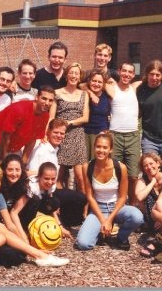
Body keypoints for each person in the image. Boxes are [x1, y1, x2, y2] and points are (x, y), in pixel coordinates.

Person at [76, 132, 144, 251]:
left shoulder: (120, 167)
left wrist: (110, 220)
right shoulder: (87, 167)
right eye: (98, 146)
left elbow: (123, 197)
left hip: (116, 208)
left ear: (111, 149)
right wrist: (103, 220)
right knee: (83, 244)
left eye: (105, 147)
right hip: (98, 208)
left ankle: (121, 237)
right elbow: (90, 196)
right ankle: (101, 233)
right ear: (94, 147)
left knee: (137, 216)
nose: (101, 150)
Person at [26, 119, 88, 227]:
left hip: (50, 189)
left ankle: (66, 222)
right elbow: (32, 177)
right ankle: (59, 222)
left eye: (62, 133)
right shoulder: (41, 151)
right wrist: (50, 199)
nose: (59, 136)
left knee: (80, 198)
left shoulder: (55, 150)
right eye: (55, 132)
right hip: (38, 194)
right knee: (76, 198)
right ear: (48, 132)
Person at [0, 86, 55, 164]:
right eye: (44, 98)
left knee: (18, 171)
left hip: (14, 147)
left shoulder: (45, 116)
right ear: (37, 97)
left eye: (50, 100)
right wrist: (3, 162)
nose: (47, 103)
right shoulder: (20, 109)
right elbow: (5, 137)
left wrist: (23, 164)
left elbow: (32, 140)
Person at [103, 62, 142, 202]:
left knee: (133, 174)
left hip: (133, 135)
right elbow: (88, 83)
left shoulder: (135, 87)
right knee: (114, 172)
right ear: (119, 71)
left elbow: (155, 76)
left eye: (130, 72)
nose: (126, 74)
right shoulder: (112, 88)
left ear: (133, 74)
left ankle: (132, 203)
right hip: (115, 135)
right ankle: (115, 203)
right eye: (124, 71)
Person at [50, 63, 89, 192]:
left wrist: (69, 122)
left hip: (77, 135)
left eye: (76, 73)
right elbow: (51, 118)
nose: (73, 76)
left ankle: (82, 209)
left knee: (80, 177)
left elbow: (85, 117)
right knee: (59, 175)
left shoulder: (84, 94)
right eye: (71, 73)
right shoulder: (57, 93)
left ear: (80, 77)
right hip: (60, 136)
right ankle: (61, 205)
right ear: (66, 75)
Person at [136, 60, 162, 180]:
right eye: (151, 74)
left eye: (158, 75)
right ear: (147, 74)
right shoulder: (140, 89)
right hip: (149, 139)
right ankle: (149, 197)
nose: (154, 77)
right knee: (149, 170)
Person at [134, 152, 162, 234]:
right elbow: (139, 197)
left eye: (151, 163)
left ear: (158, 163)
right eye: (145, 166)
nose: (149, 167)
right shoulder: (143, 180)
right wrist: (152, 182)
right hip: (151, 217)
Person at [83, 69, 111, 160]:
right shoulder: (84, 93)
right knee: (85, 162)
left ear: (103, 84)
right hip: (85, 133)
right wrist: (91, 93)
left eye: (100, 82)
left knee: (98, 161)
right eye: (94, 81)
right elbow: (81, 85)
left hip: (100, 133)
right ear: (89, 81)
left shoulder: (107, 96)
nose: (96, 84)